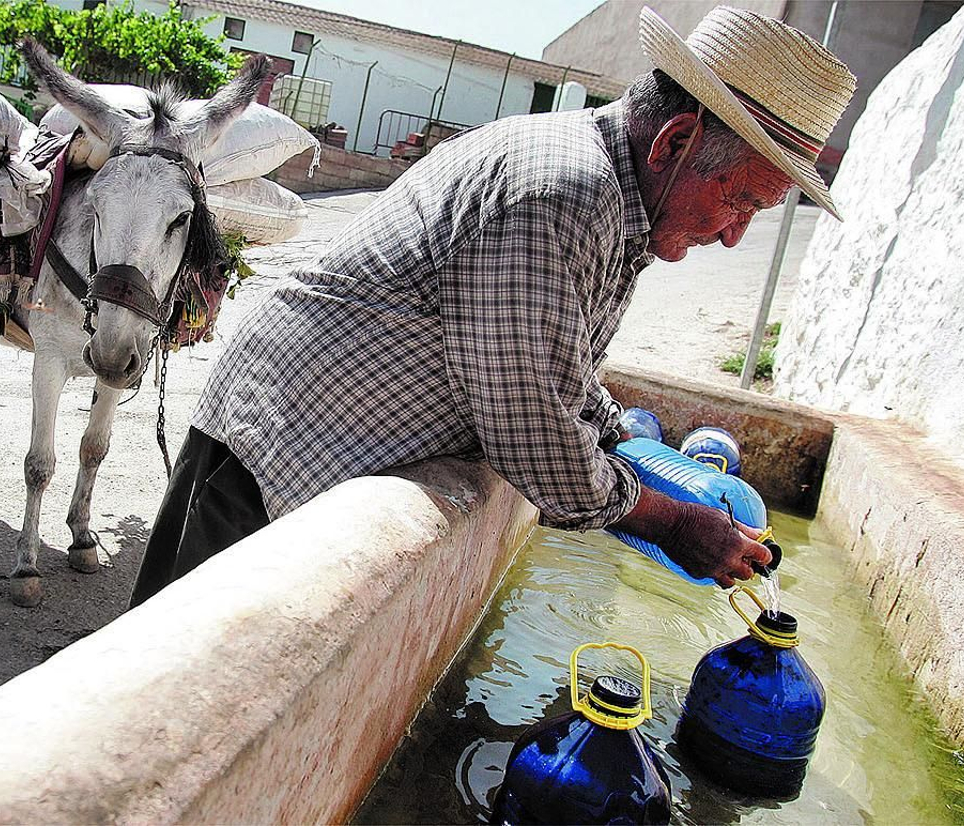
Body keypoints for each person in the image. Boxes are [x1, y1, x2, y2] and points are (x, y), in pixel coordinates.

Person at [131, 6, 857, 606]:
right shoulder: (562, 191)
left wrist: (634, 449)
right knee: (164, 692)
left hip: (301, 440)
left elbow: (560, 373)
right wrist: (667, 520)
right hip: (273, 449)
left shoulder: (614, 200)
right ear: (674, 142)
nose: (735, 234)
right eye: (741, 201)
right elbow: (529, 424)